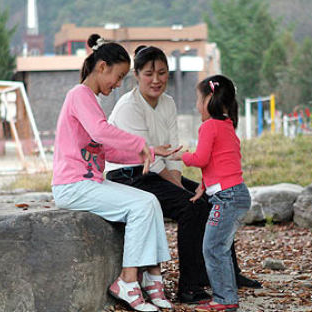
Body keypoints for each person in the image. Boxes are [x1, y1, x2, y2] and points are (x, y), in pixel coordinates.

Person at [105, 46, 261, 304]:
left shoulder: (168, 103)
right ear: (136, 75)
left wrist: (177, 179)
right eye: (149, 74)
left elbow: (172, 146)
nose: (156, 80)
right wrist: (177, 185)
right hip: (129, 174)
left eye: (162, 73)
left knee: (214, 199)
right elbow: (148, 157)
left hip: (160, 172)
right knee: (190, 207)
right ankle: (189, 287)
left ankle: (229, 274)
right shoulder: (128, 106)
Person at [51, 34, 175, 312]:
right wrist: (140, 143)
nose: (118, 84)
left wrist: (149, 151)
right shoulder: (79, 95)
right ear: (102, 66)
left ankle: (152, 276)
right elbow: (100, 132)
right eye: (117, 77)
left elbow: (104, 150)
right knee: (141, 205)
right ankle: (127, 281)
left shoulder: (90, 100)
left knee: (150, 201)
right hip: (72, 186)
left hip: (89, 182)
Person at [171, 75, 250, 312]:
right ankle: (226, 297)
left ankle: (225, 300)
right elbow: (221, 163)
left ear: (210, 99)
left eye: (198, 99)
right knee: (218, 247)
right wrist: (203, 187)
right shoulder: (227, 126)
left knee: (213, 248)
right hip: (235, 195)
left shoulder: (208, 127)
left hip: (227, 198)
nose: (196, 105)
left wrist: (179, 157)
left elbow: (202, 159)